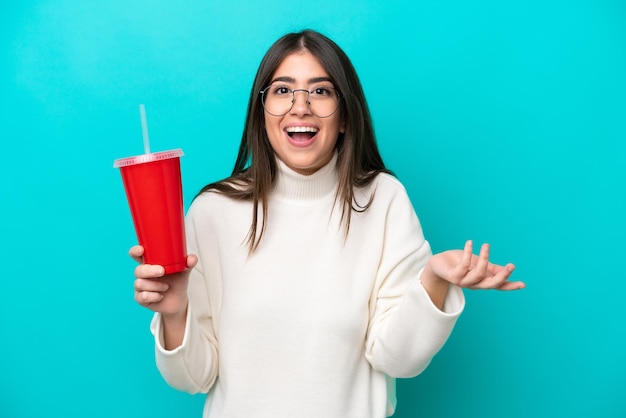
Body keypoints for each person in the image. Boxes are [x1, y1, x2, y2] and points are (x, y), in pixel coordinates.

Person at [130, 29, 525, 418]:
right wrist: (175, 312)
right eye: (283, 91)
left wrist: (434, 280)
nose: (300, 107)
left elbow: (398, 360)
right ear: (261, 113)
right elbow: (192, 378)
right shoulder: (213, 210)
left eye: (320, 91)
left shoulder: (383, 200)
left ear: (346, 118)